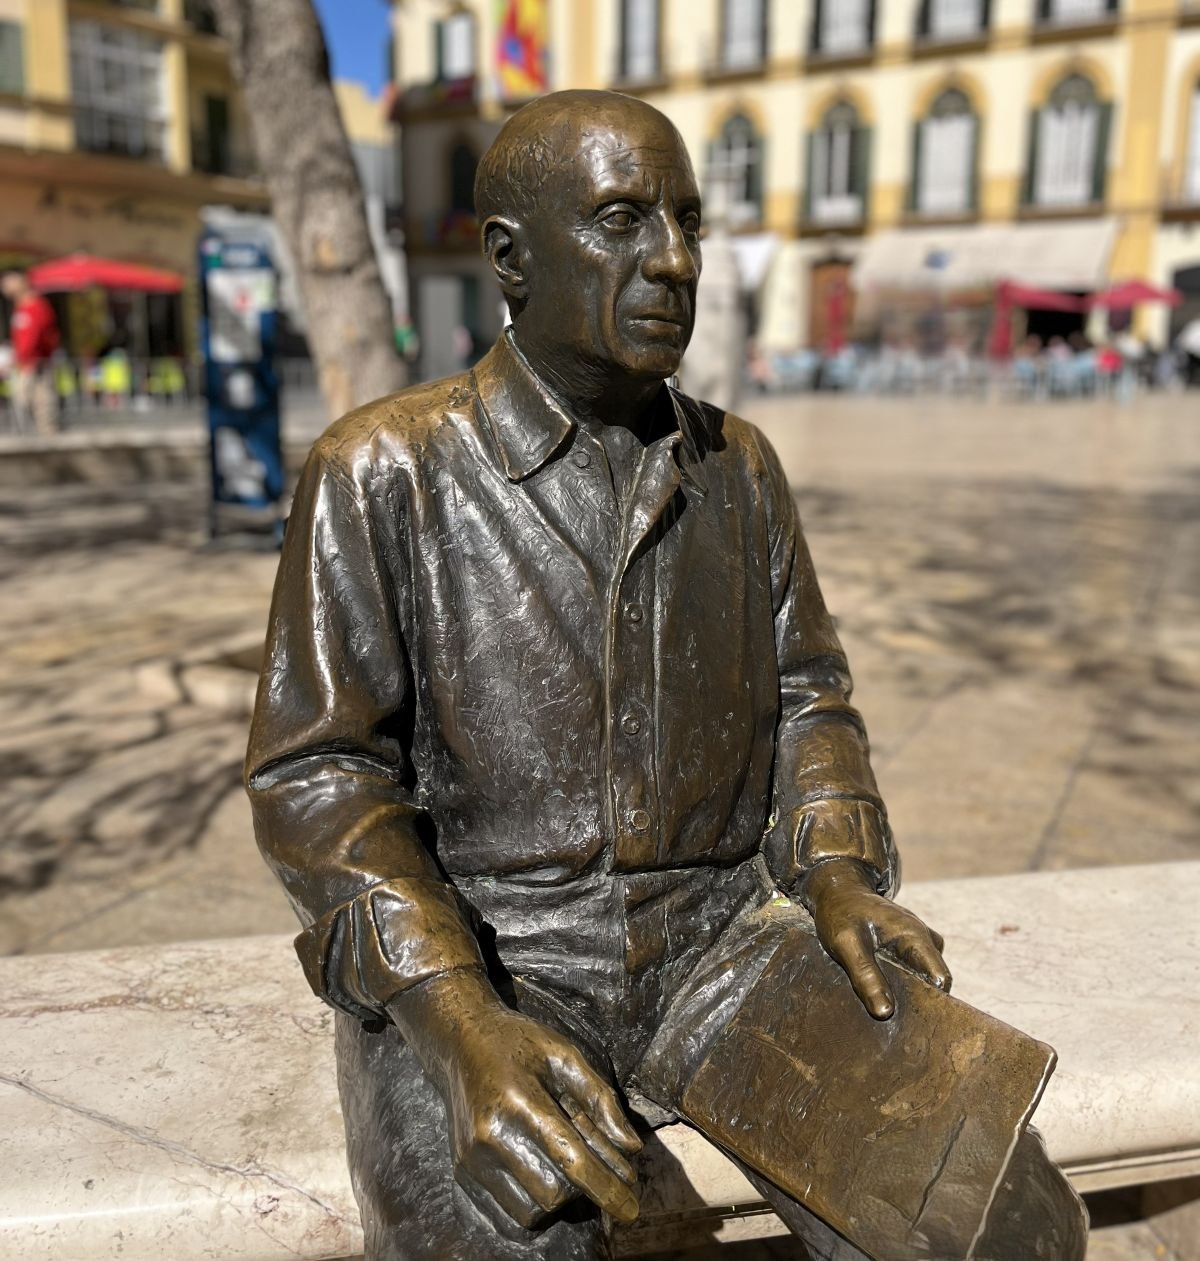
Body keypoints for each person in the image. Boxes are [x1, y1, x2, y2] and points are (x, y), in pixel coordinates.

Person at [246, 91, 1087, 1261]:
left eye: (687, 220)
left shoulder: (739, 467)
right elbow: (318, 775)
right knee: (510, 1238)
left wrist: (838, 874)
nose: (675, 259)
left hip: (723, 952)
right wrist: (452, 1013)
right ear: (511, 258)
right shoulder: (382, 470)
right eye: (621, 220)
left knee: (1002, 1221)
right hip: (492, 957)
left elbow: (809, 695)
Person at [2, 270, 60, 434]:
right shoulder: (21, 308)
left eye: (9, 281)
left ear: (22, 281)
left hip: (33, 364)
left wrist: (25, 360)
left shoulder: (35, 307)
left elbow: (36, 338)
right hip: (25, 364)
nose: (4, 286)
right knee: (26, 407)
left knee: (38, 407)